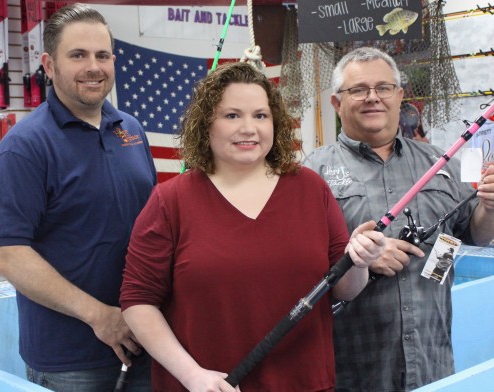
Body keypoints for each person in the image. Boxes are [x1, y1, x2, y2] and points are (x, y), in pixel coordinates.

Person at [119, 61, 386, 392]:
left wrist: (357, 260)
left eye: (260, 116)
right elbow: (137, 301)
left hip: (304, 383)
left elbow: (345, 288)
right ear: (206, 124)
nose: (249, 128)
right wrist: (191, 375)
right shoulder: (170, 201)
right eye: (232, 115)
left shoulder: (310, 189)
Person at [0, 4, 156, 391]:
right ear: (48, 64)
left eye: (102, 55)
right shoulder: (25, 147)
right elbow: (7, 252)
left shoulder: (130, 130)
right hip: (71, 361)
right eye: (77, 55)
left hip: (147, 340)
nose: (93, 67)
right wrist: (100, 316)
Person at [304, 46, 494, 391]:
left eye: (383, 87)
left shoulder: (441, 163)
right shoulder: (310, 175)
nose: (372, 98)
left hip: (432, 364)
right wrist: (356, 259)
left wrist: (491, 208)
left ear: (399, 95)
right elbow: (296, 266)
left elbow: (474, 235)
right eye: (359, 90)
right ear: (336, 103)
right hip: (351, 371)